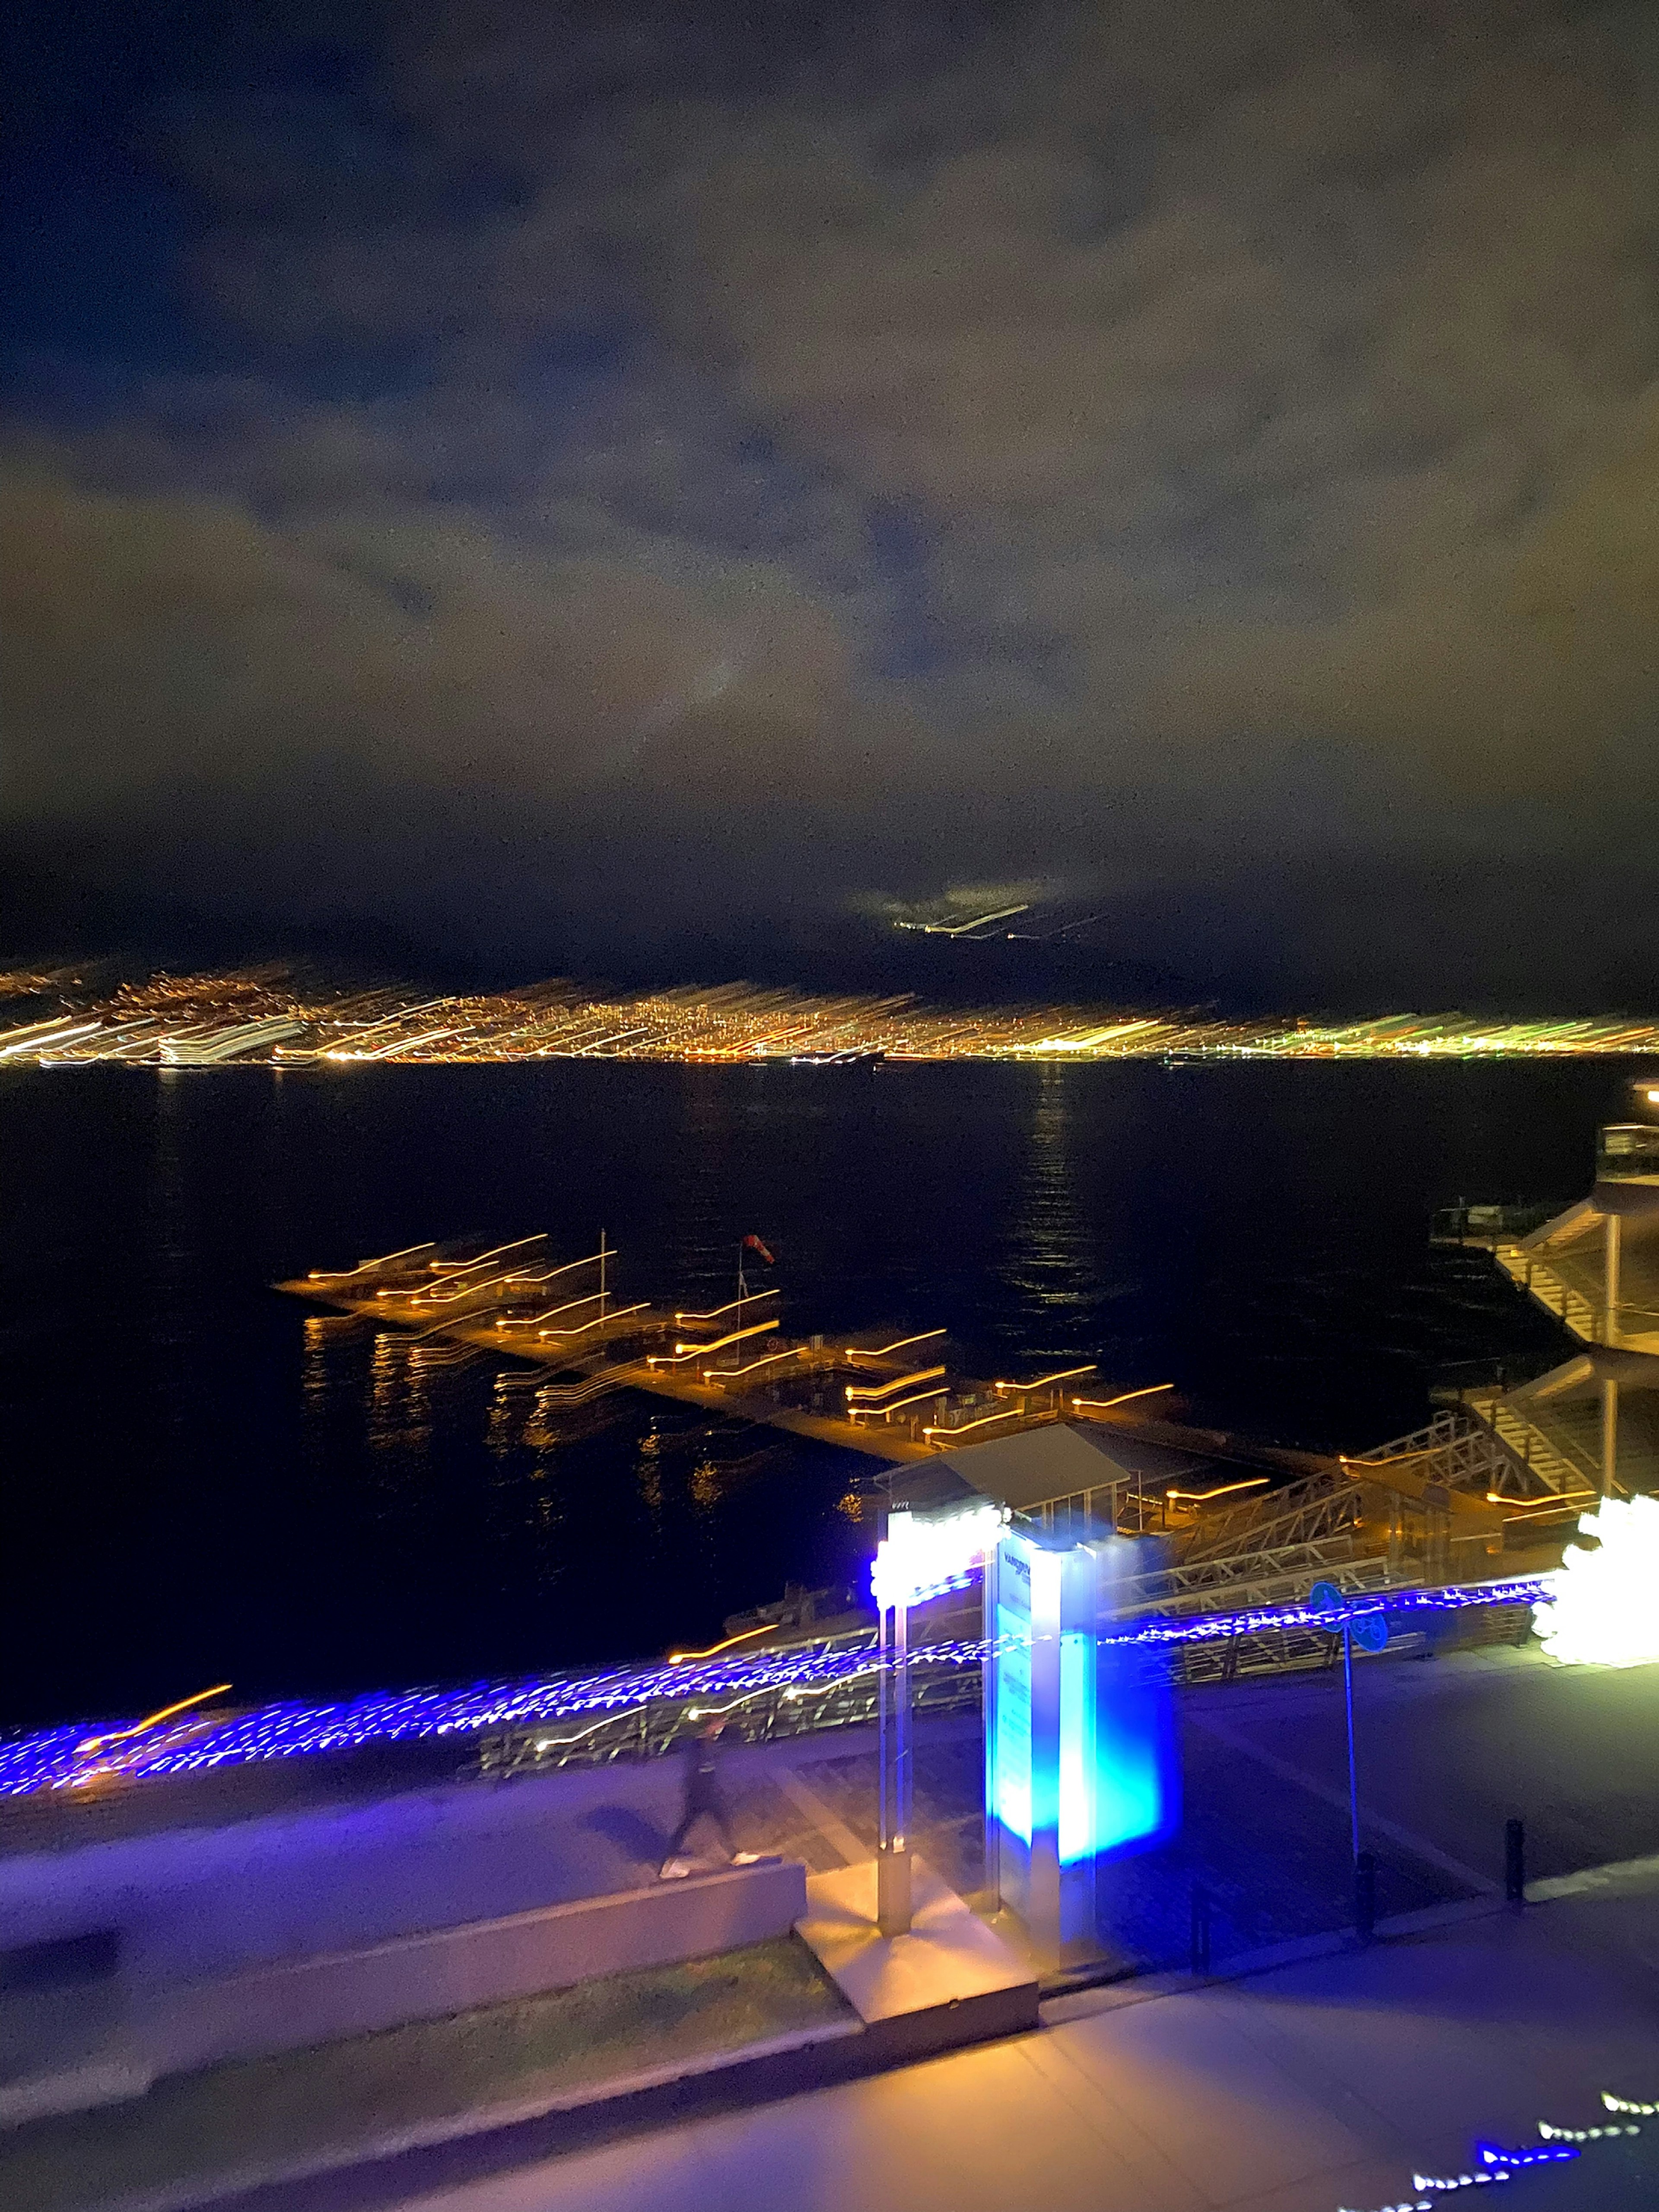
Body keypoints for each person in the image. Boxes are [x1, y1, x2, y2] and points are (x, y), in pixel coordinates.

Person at [661, 1720, 736, 1874]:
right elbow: (698, 1770)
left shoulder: (703, 1746)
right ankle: (668, 1861)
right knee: (689, 1825)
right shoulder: (700, 1748)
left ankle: (735, 1853)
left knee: (713, 1821)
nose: (718, 1730)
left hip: (703, 1794)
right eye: (715, 1728)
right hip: (701, 1795)